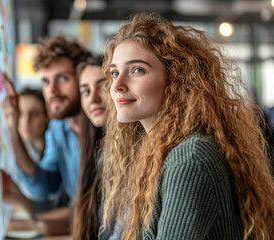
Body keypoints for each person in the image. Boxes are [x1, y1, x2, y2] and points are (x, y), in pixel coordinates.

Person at [101, 13, 274, 239]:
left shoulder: (189, 157)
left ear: (176, 79)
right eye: (114, 73)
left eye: (137, 70)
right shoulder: (155, 151)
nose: (117, 85)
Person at [2, 34, 92, 234]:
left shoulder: (104, 130)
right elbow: (43, 187)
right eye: (45, 81)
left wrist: (39, 225)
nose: (52, 90)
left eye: (62, 78)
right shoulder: (58, 128)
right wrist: (12, 130)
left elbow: (96, 212)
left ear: (81, 78)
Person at [72, 56, 120, 240]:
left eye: (102, 85)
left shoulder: (133, 152)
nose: (93, 98)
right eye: (85, 91)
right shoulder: (100, 150)